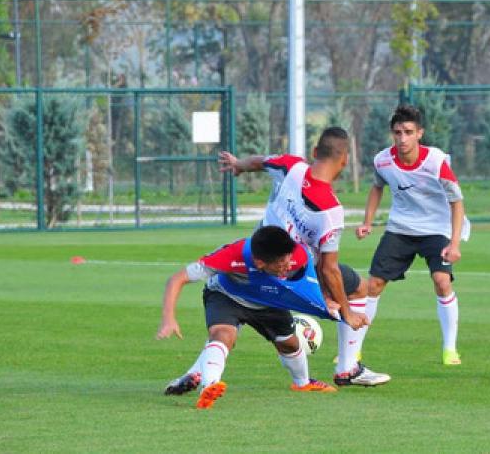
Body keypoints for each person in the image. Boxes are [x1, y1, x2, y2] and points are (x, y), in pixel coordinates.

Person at [217, 127, 390, 387]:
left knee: (234, 312)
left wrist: (238, 165)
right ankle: (347, 369)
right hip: (294, 274)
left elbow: (258, 161)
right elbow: (328, 269)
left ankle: (201, 371)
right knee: (358, 288)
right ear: (344, 161)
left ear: (314, 152)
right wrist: (345, 311)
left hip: (255, 260)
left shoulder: (291, 166)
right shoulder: (330, 210)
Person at [157, 226, 337, 409]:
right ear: (259, 263)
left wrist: (326, 300)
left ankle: (303, 383)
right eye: (281, 264)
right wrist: (168, 318)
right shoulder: (230, 256)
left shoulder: (295, 255)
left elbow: (316, 277)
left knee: (289, 343)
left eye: (288, 259)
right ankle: (209, 385)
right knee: (223, 334)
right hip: (227, 295)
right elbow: (177, 279)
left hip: (267, 299)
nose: (288, 265)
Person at [355, 104, 469, 367]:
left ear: (420, 133)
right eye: (397, 132)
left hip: (437, 229)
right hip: (401, 228)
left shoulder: (436, 162)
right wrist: (367, 222)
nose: (402, 138)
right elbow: (376, 187)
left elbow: (457, 201)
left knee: (442, 280)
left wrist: (454, 243)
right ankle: (354, 350)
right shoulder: (382, 160)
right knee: (372, 285)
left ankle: (450, 349)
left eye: (408, 132)